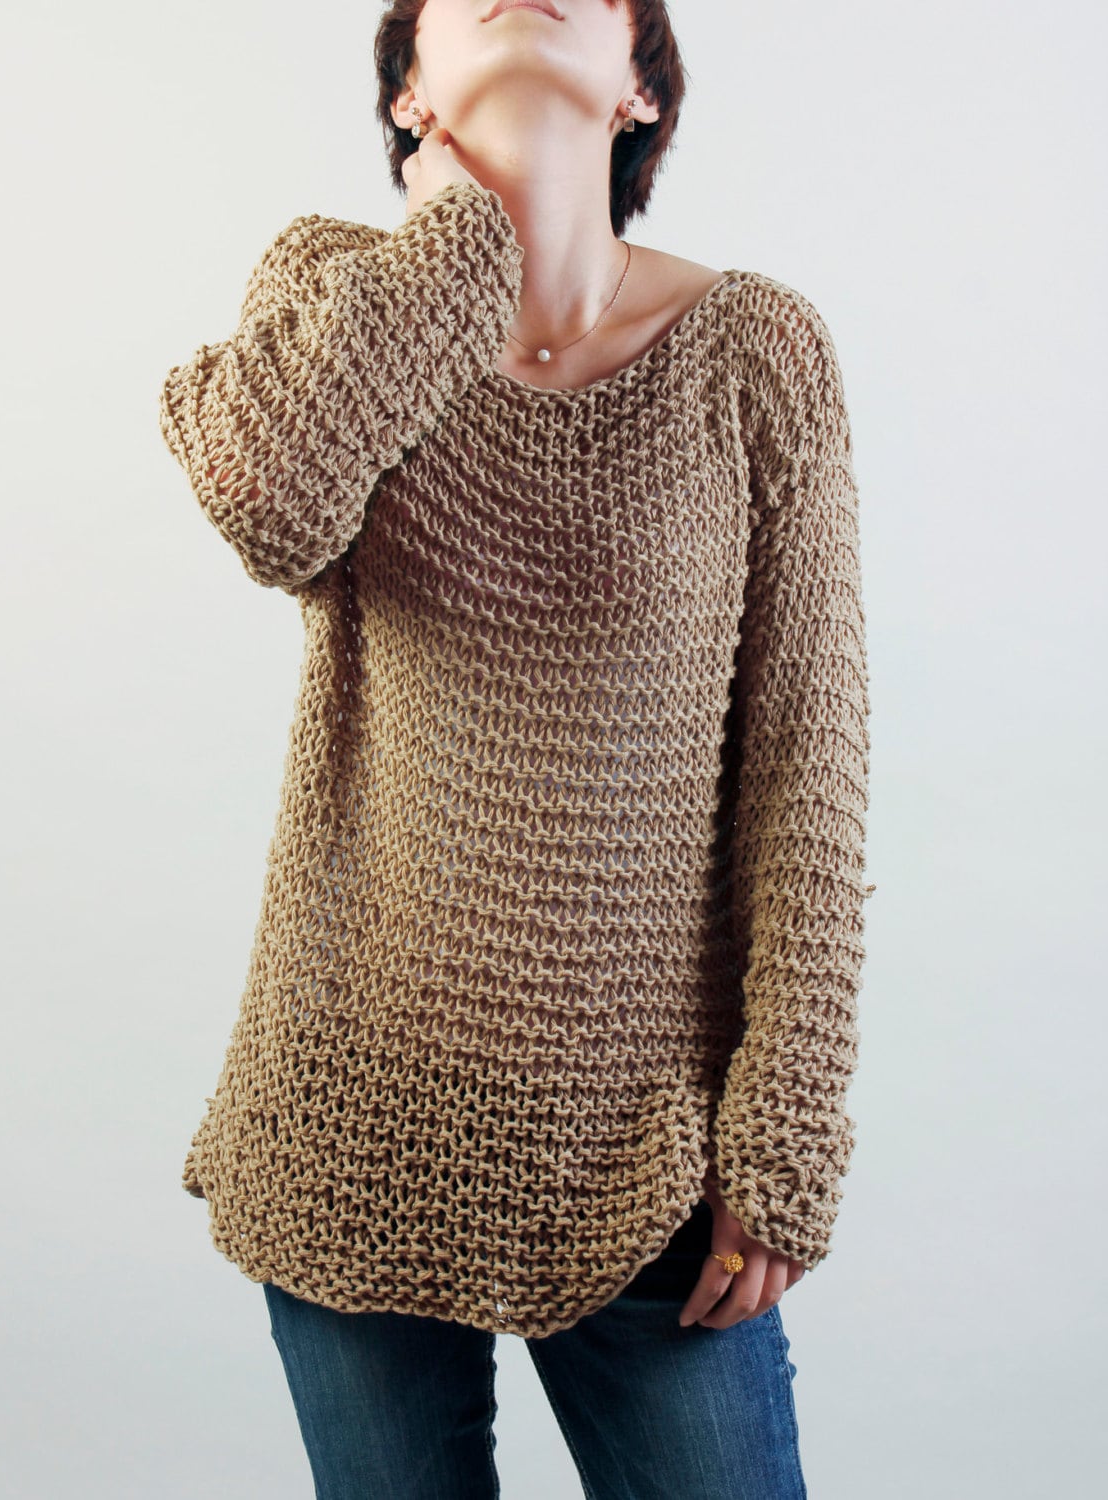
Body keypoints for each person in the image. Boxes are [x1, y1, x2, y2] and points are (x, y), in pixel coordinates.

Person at [157, 2, 873, 1495]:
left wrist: (786, 1129)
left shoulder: (755, 350)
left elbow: (807, 769)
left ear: (640, 92)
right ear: (407, 94)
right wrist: (453, 240)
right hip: (350, 1115)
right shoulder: (336, 291)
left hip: (648, 1155)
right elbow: (271, 505)